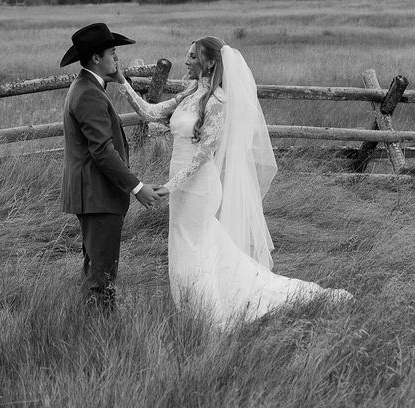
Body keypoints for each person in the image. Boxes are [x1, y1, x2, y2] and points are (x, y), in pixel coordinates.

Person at [115, 37, 353, 324]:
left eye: (193, 56)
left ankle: (209, 315)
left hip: (199, 187)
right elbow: (149, 112)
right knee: (187, 247)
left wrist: (170, 185)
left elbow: (204, 153)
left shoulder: (218, 102)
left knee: (195, 249)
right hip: (180, 188)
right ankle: (192, 308)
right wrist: (121, 81)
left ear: (210, 62)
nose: (186, 61)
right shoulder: (189, 94)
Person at [60, 23, 165, 310]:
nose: (117, 58)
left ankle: (92, 324)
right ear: (96, 58)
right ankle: (99, 329)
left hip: (94, 195)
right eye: (112, 53)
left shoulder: (86, 86)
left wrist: (119, 80)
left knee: (97, 268)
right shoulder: (89, 93)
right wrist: (137, 187)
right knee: (102, 277)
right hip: (98, 195)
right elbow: (103, 151)